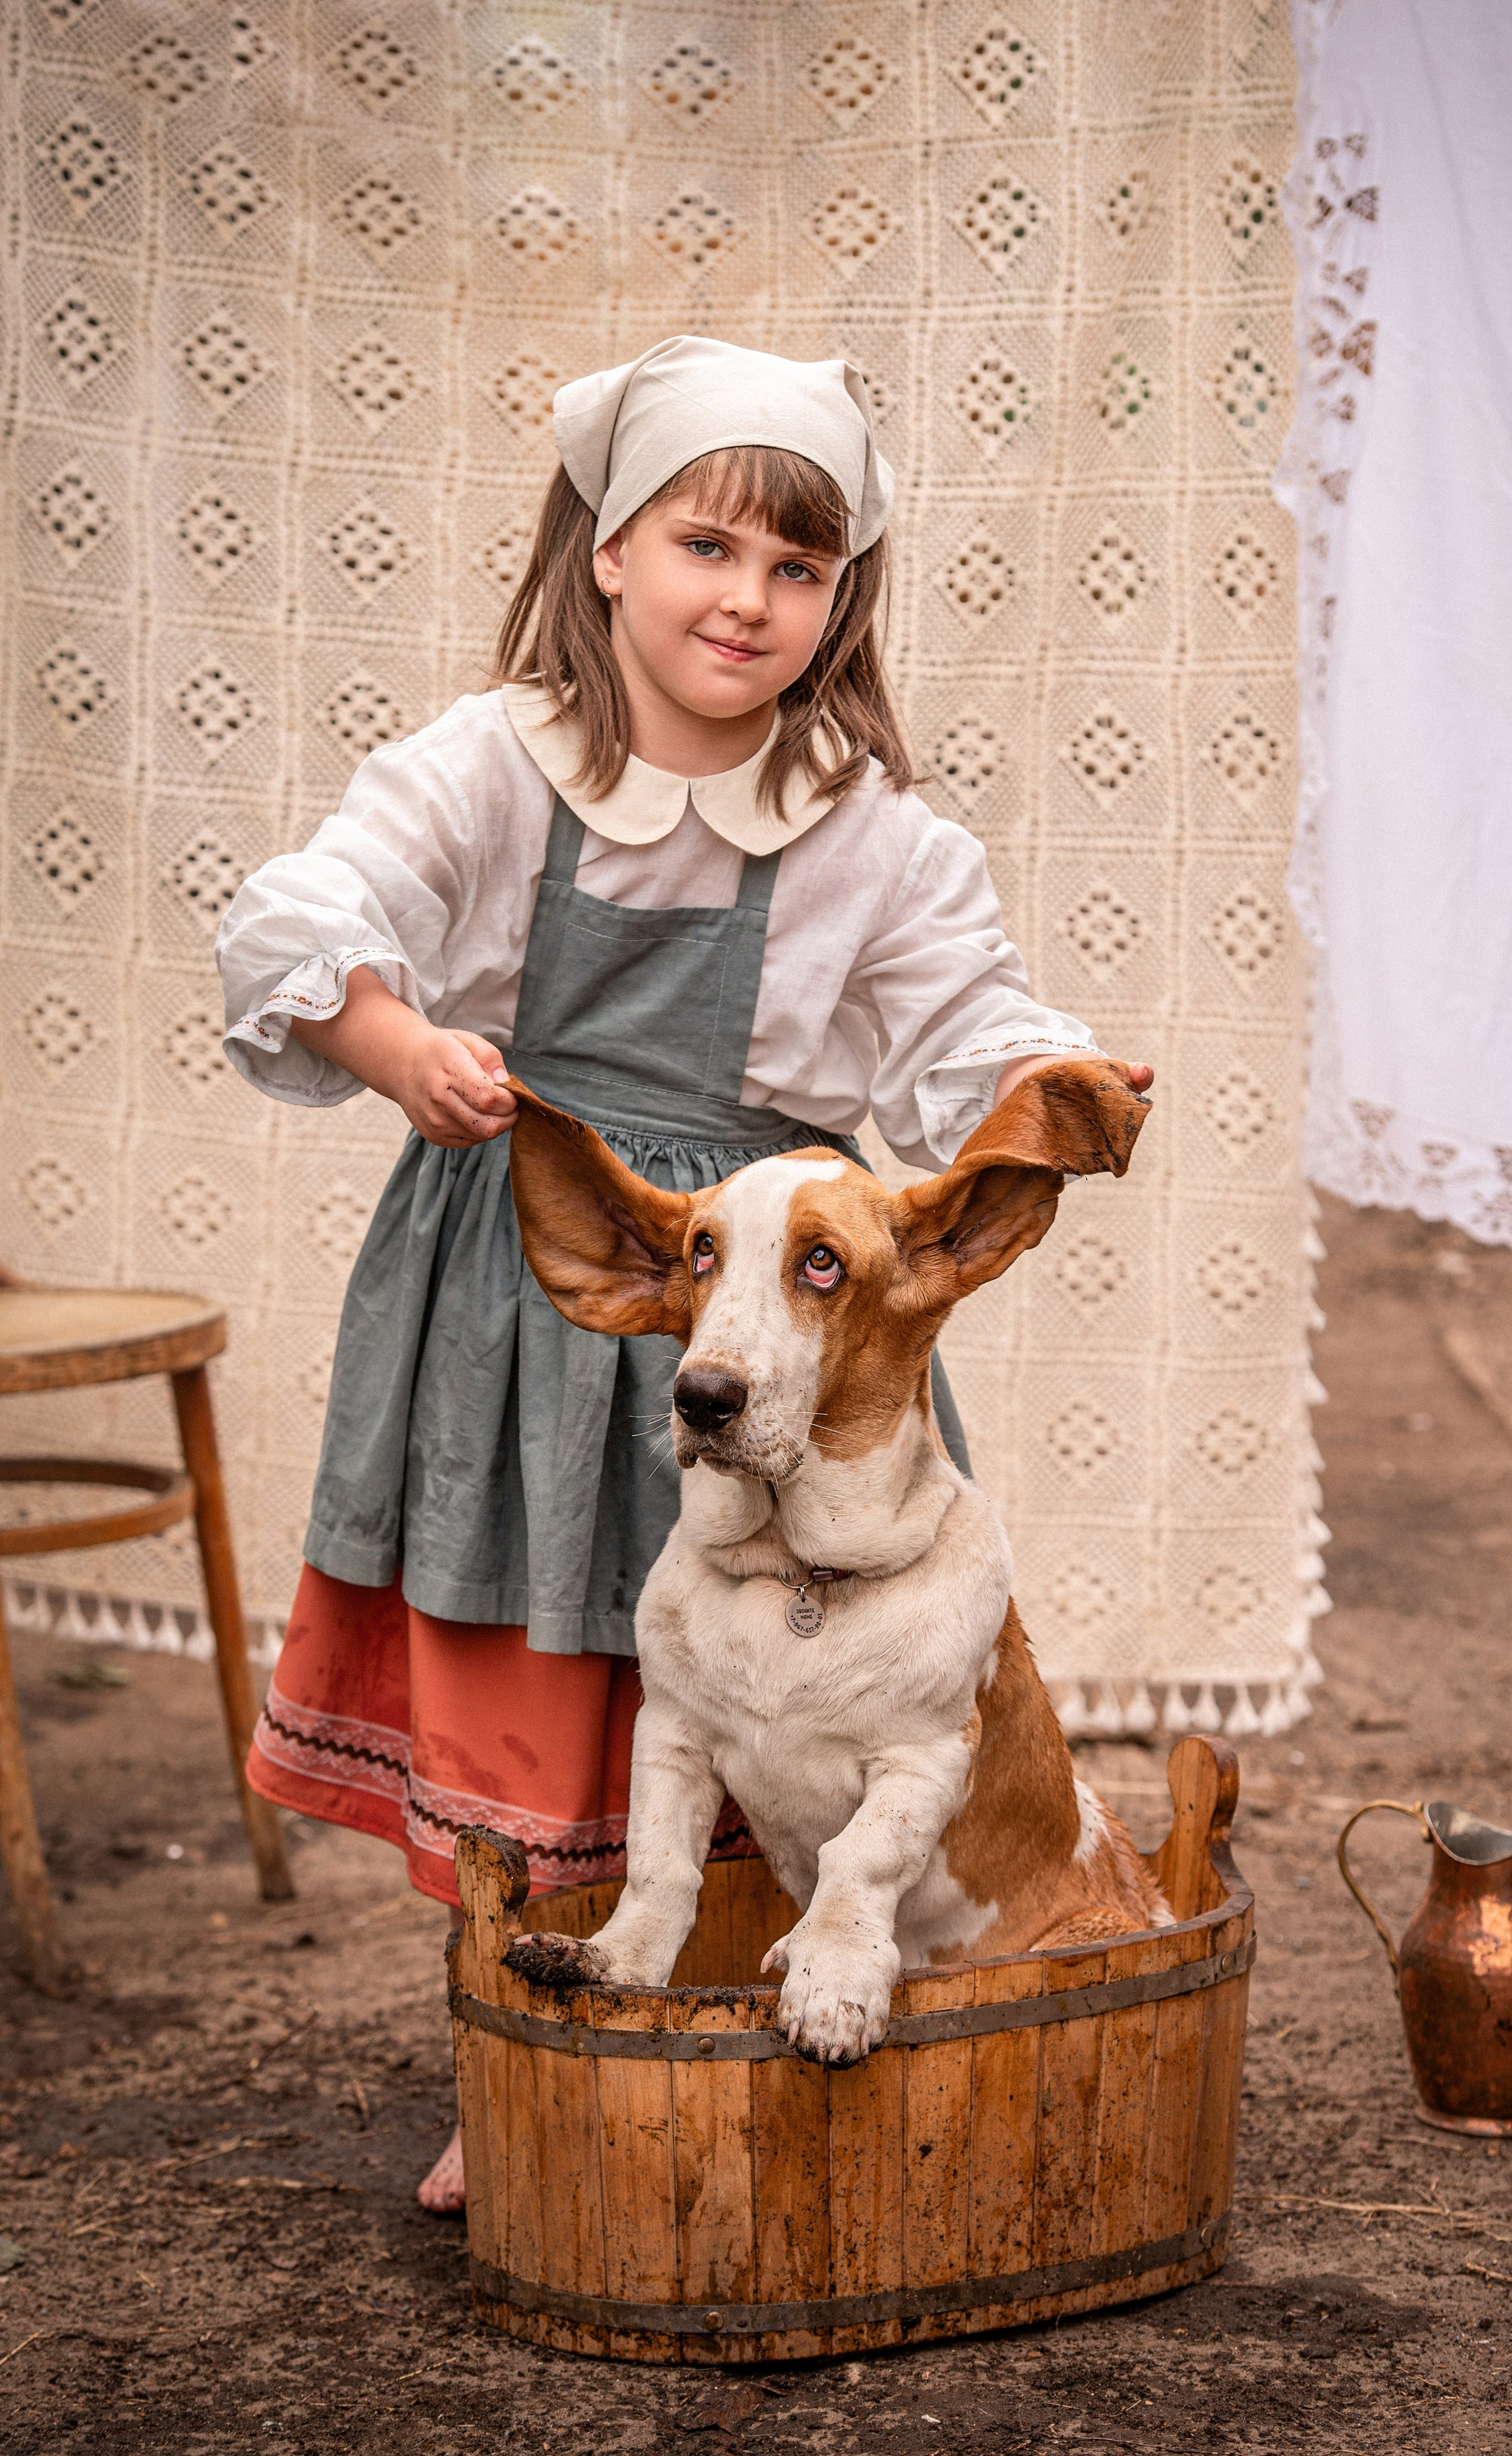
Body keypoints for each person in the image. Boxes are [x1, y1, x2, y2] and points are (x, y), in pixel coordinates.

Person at [216, 337, 1152, 2212]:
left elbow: (963, 1025)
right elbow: (306, 911)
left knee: (788, 1677)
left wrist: (1052, 1080)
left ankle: (765, 2028)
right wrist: (399, 1045)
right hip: (534, 1287)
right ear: (611, 548)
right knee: (552, 1681)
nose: (748, 599)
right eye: (709, 546)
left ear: (841, 599)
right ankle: (535, 2060)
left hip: (785, 1315)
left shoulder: (868, 836)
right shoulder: (495, 766)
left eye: (797, 570)